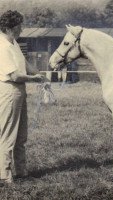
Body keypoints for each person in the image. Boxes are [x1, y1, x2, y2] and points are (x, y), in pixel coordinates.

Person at [0, 10, 46, 185]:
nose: (22, 29)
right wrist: (34, 79)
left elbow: (24, 64)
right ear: (9, 27)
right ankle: (4, 175)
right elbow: (14, 76)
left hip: (20, 90)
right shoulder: (1, 46)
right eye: (19, 26)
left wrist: (38, 73)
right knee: (8, 134)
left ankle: (21, 172)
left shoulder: (14, 43)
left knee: (21, 135)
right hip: (9, 91)